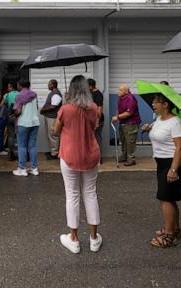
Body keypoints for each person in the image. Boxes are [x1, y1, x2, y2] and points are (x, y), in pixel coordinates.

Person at [54, 75, 102, 254]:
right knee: (90, 193)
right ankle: (94, 238)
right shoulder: (94, 108)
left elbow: (56, 130)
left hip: (69, 155)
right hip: (91, 154)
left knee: (72, 195)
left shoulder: (65, 109)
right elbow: (94, 126)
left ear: (71, 90)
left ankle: (73, 239)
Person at [142, 93, 181, 248]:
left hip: (173, 164)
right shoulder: (159, 120)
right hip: (162, 163)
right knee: (169, 198)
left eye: (156, 102)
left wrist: (173, 169)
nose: (153, 104)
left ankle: (169, 237)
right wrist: (149, 129)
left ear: (166, 104)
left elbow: (180, 148)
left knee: (166, 199)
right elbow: (160, 137)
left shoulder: (176, 122)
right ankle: (175, 229)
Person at [12, 79, 40, 177]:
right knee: (32, 146)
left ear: (20, 85)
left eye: (17, 85)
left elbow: (17, 111)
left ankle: (22, 169)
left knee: (22, 146)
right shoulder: (34, 94)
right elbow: (36, 108)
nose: (17, 87)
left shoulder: (19, 96)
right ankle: (34, 168)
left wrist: (13, 114)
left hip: (23, 123)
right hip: (35, 122)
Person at [111, 84, 141, 166]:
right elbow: (118, 108)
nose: (119, 91)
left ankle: (131, 159)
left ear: (126, 91)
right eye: (119, 89)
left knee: (130, 142)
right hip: (123, 122)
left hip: (131, 123)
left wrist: (117, 117)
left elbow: (129, 113)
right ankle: (124, 156)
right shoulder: (121, 97)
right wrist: (117, 116)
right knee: (123, 141)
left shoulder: (131, 99)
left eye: (121, 90)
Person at [40, 79, 62, 160]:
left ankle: (55, 153)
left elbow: (53, 106)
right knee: (50, 135)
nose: (48, 85)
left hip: (52, 118)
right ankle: (53, 151)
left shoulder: (56, 94)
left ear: (53, 85)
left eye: (49, 84)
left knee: (53, 135)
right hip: (49, 117)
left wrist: (43, 110)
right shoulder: (52, 93)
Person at [88, 78, 104, 164]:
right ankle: (92, 158)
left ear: (90, 86)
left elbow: (100, 109)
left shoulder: (98, 94)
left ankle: (98, 159)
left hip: (97, 121)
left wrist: (97, 122)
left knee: (97, 139)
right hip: (90, 120)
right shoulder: (90, 93)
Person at [3, 82, 19, 161]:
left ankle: (11, 154)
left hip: (9, 116)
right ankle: (20, 153)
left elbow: (3, 104)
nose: (8, 88)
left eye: (8, 87)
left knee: (10, 136)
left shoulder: (7, 95)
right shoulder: (20, 94)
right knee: (19, 135)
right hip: (18, 116)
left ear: (11, 87)